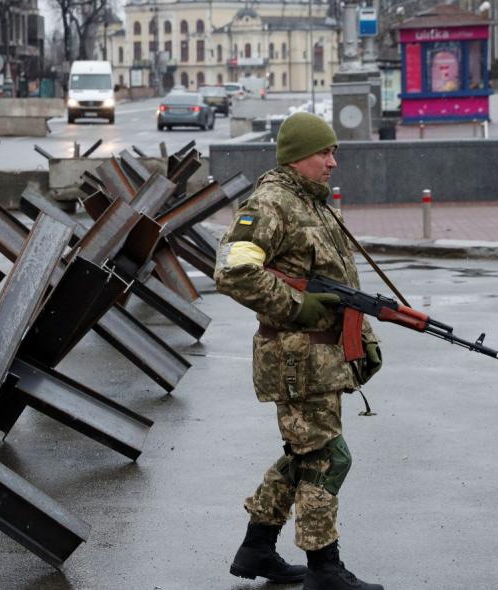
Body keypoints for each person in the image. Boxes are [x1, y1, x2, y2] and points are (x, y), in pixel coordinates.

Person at [216, 112, 384, 590]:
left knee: (305, 454)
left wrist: (362, 341)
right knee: (327, 458)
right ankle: (323, 568)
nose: (333, 162)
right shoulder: (270, 204)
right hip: (296, 358)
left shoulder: (310, 203)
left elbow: (338, 290)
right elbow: (233, 270)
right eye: (324, 153)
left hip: (318, 358)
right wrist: (298, 306)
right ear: (297, 156)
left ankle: (257, 548)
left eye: (334, 152)